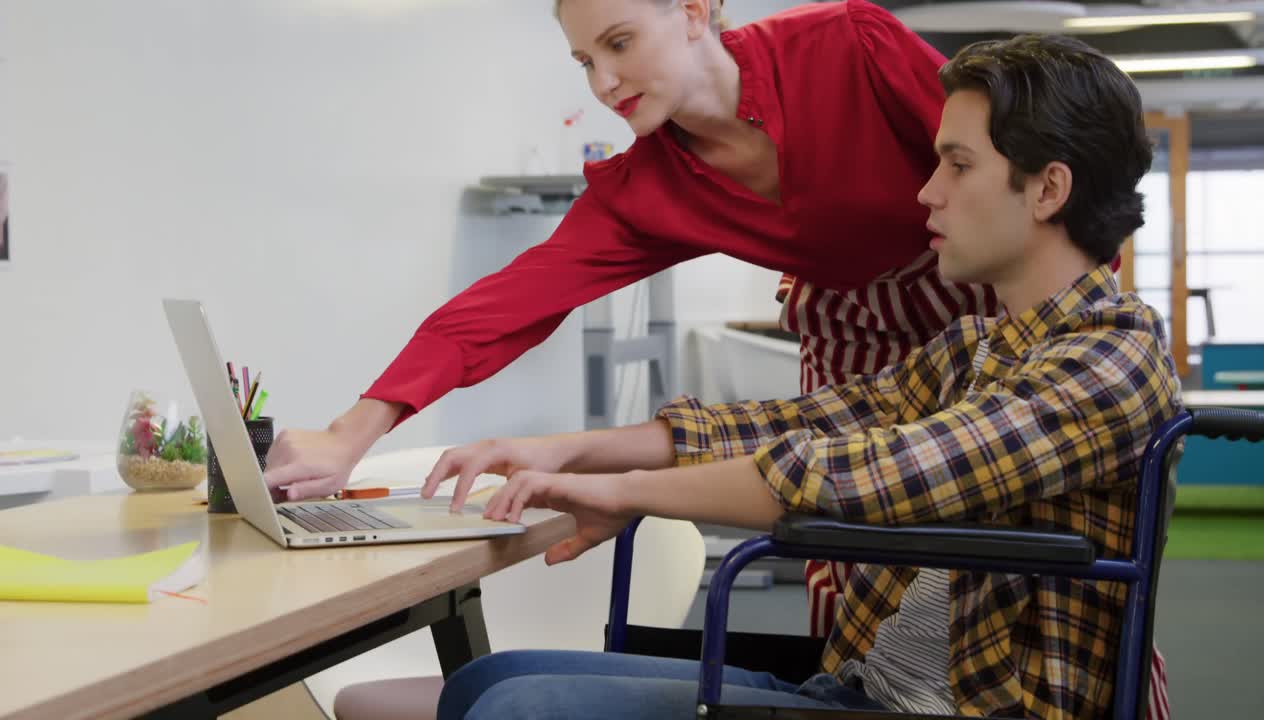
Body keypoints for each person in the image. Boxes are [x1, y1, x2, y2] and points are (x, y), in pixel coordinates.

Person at [269, 0, 1166, 714]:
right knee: (492, 683)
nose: (605, 79)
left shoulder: (849, 49)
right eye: (585, 61)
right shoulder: (655, 186)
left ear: (696, 10)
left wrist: (617, 491)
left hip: (1005, 350)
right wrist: (530, 450)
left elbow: (1034, 154)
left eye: (620, 42)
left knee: (944, 532)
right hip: (911, 371)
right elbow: (786, 424)